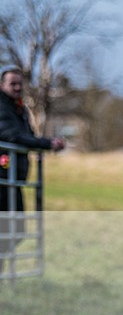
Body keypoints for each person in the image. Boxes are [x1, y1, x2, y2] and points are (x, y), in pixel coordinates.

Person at [0, 66, 65, 273]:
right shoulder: (1, 108)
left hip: (14, 181)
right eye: (13, 83)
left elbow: (27, 135)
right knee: (6, 231)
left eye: (20, 83)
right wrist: (46, 144)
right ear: (2, 85)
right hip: (2, 180)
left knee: (16, 231)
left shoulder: (20, 109)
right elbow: (11, 136)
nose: (18, 87)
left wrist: (44, 142)